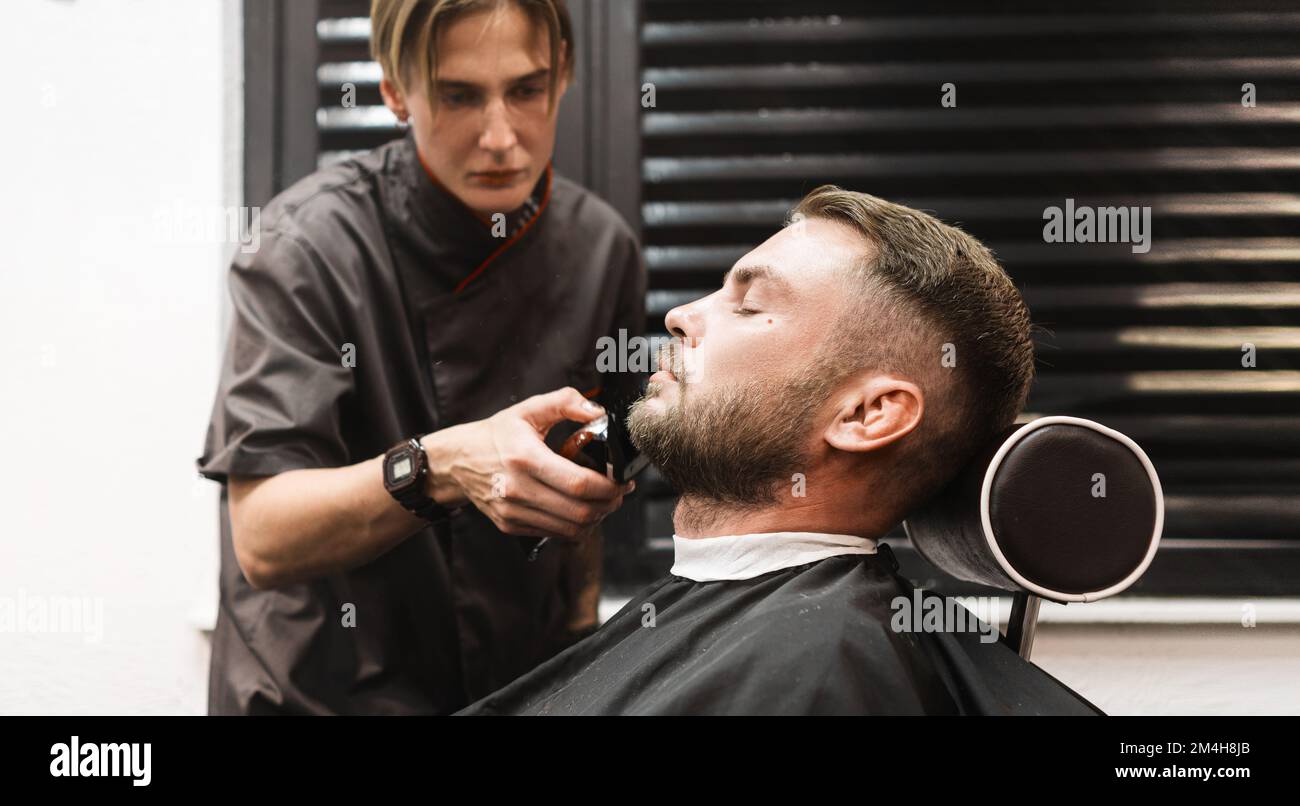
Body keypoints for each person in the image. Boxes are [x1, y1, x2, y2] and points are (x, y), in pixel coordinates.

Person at [458, 186, 1104, 715]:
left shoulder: (817, 676)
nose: (683, 314)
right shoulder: (745, 611)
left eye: (750, 306)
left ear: (867, 415)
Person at [197, 0, 644, 715]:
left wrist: (579, 646)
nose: (500, 138)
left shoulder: (602, 249)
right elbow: (265, 536)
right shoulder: (307, 249)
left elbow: (589, 483)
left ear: (563, 76)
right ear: (396, 91)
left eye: (526, 90)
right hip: (320, 692)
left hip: (511, 684)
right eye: (458, 95)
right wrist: (443, 464)